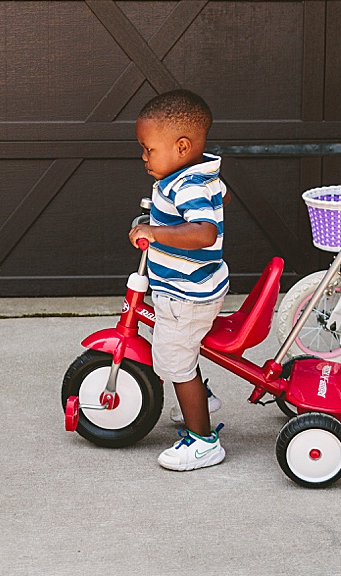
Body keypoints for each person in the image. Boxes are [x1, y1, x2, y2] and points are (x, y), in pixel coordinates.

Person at [129, 90, 229, 471]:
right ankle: (203, 397)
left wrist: (155, 234)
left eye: (148, 149)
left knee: (175, 362)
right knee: (181, 350)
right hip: (197, 285)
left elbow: (204, 232)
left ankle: (204, 442)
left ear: (182, 146)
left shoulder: (185, 185)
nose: (143, 157)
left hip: (187, 294)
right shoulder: (195, 174)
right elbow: (222, 198)